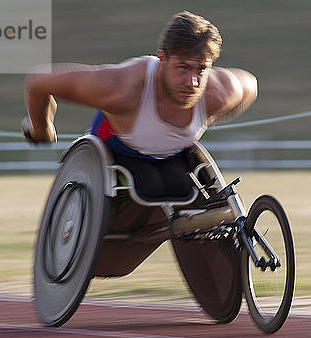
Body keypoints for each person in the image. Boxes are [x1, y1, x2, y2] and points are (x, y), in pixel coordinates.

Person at [22, 11, 257, 200]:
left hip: (171, 157)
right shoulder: (121, 89)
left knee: (177, 187)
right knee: (150, 185)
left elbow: (251, 85)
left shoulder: (222, 93)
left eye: (201, 69)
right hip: (116, 145)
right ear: (162, 59)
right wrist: (42, 130)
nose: (193, 82)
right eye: (183, 68)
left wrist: (209, 118)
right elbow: (39, 82)